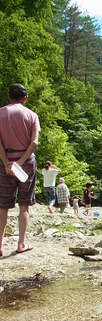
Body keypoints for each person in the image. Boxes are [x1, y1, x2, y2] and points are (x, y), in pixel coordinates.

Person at [0, 83, 40, 256]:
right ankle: (21, 244)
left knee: (3, 206)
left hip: (4, 164)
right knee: (24, 205)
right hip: (26, 164)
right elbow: (35, 143)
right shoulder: (32, 115)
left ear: (9, 96)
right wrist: (20, 162)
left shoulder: (0, 113)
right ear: (25, 98)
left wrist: (7, 162)